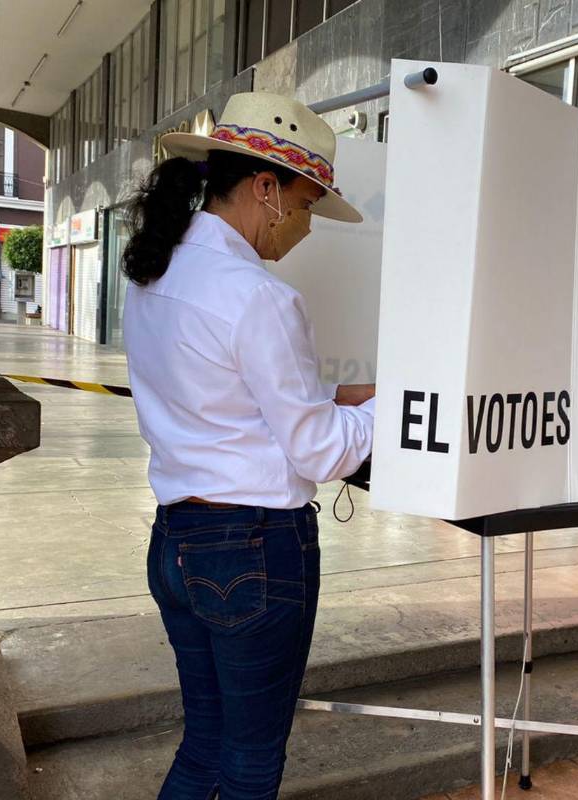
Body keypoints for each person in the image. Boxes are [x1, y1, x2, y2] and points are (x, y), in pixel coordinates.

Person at [121, 92, 375, 800]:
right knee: (251, 760)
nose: (304, 224)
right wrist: (392, 407)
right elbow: (322, 455)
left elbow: (227, 402)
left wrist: (335, 399)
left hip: (178, 542)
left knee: (205, 743)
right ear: (265, 187)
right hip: (255, 554)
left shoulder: (153, 276)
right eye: (304, 203)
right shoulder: (258, 295)